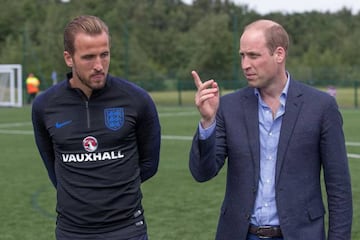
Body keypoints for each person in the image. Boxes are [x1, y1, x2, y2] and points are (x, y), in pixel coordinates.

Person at [189, 19, 352, 240]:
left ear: (279, 54)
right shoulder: (228, 107)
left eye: (253, 55)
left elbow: (339, 188)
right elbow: (202, 172)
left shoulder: (321, 107)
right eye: (242, 55)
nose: (245, 64)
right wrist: (208, 122)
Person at [31, 15, 161, 240]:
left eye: (105, 54)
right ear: (68, 58)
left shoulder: (137, 100)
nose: (99, 65)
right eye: (89, 57)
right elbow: (54, 167)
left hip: (128, 229)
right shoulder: (45, 106)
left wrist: (117, 188)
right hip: (72, 231)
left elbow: (149, 164)